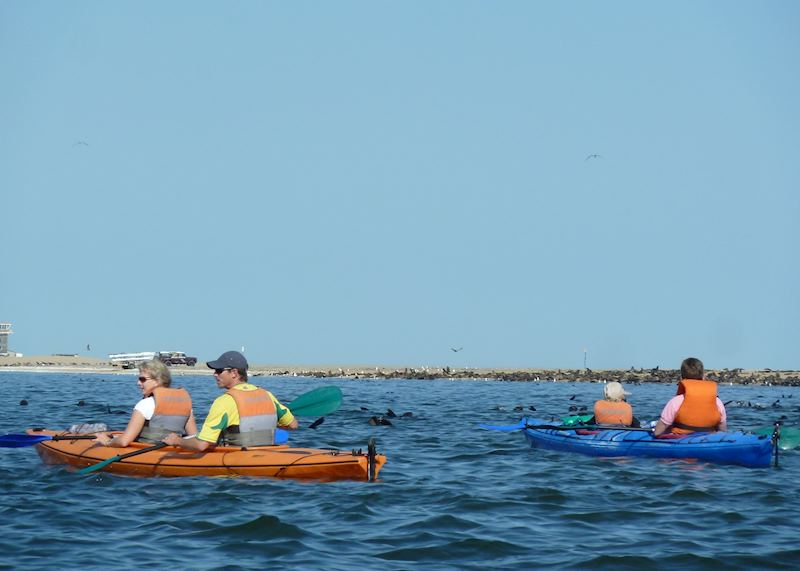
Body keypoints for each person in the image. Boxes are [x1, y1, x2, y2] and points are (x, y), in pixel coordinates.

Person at [162, 350, 298, 451]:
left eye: (219, 370)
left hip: (239, 464)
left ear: (234, 373)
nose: (214, 374)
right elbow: (292, 425)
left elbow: (201, 445)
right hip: (269, 454)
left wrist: (177, 440)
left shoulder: (224, 402)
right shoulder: (268, 395)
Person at [94, 359, 197, 447]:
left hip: (147, 451)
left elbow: (124, 442)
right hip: (172, 451)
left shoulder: (145, 405)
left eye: (142, 379)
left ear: (158, 381)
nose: (138, 383)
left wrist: (107, 441)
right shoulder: (185, 404)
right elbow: (193, 436)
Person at [653, 357, 727, 437]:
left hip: (681, 441)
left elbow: (658, 431)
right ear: (703, 377)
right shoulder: (717, 402)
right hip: (708, 440)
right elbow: (722, 430)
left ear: (682, 378)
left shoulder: (676, 402)